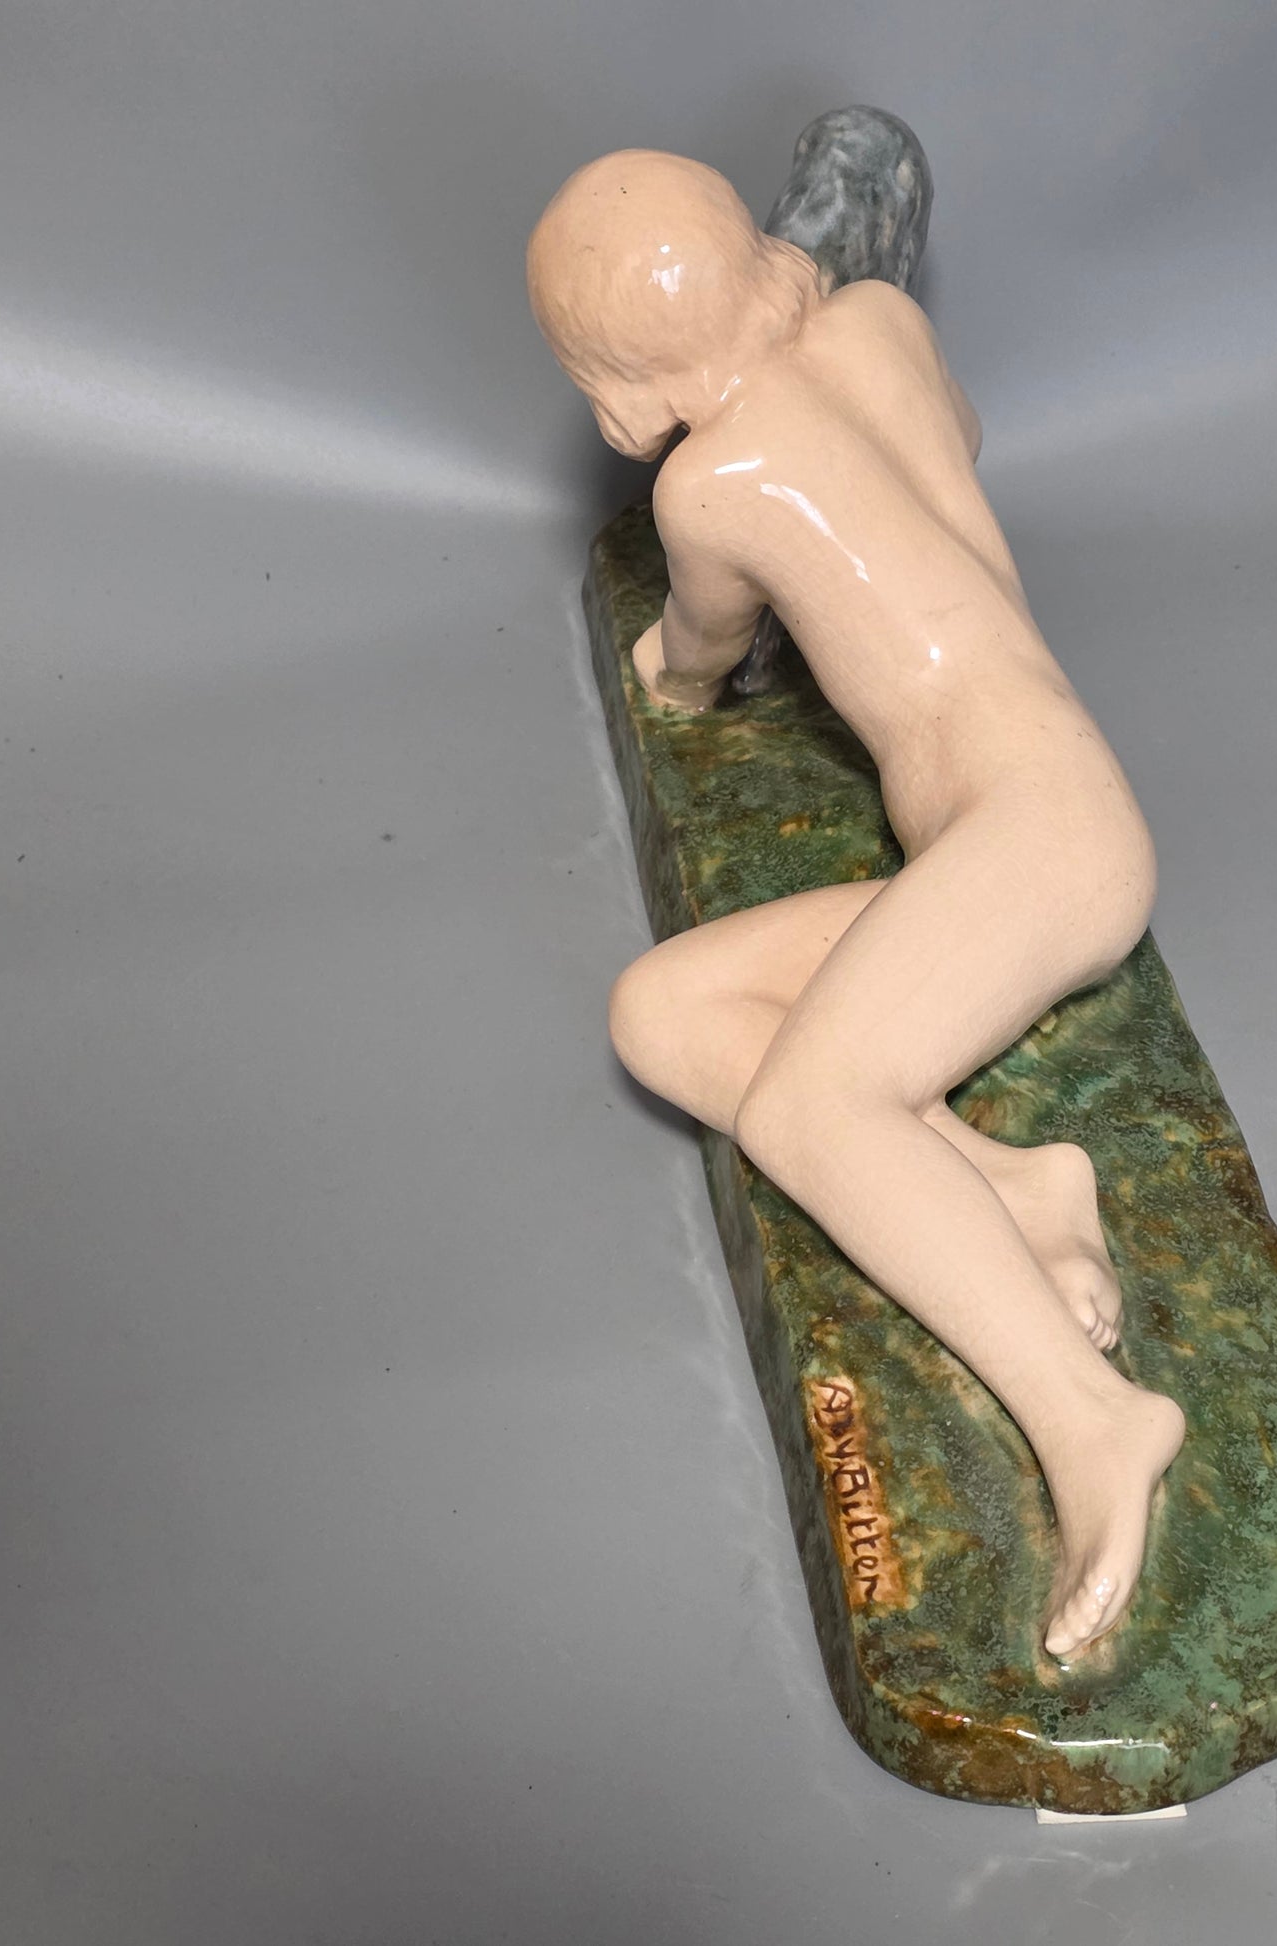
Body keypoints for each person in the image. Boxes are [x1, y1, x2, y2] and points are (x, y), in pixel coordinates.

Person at [528, 150, 1186, 1658]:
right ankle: (1019, 1192)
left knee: (808, 1113)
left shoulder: (708, 486)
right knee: (662, 1012)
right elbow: (955, 449)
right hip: (1007, 823)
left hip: (1045, 833)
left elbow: (696, 657)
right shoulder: (884, 324)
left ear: (618, 386)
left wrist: (662, 678)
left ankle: (1092, 1420)